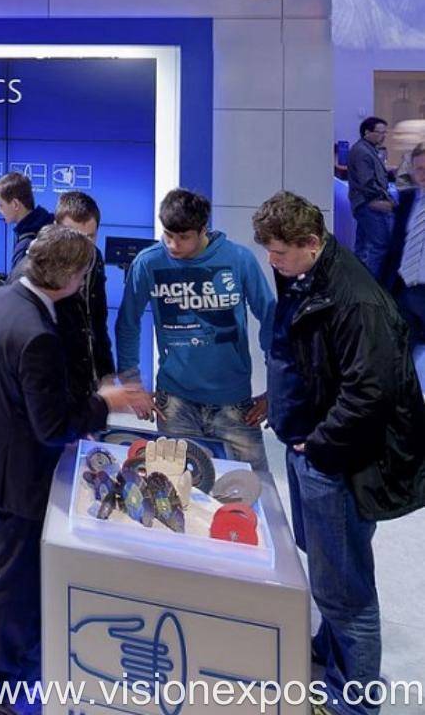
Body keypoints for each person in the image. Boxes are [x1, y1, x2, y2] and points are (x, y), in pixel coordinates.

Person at [253, 191, 425, 715]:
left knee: (345, 589)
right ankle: (330, 651)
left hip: (335, 457)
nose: (272, 262)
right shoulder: (305, 274)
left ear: (311, 242)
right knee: (327, 565)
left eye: (279, 252)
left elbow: (370, 393)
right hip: (310, 443)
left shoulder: (355, 299)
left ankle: (354, 700)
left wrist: (319, 444)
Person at [0, 225, 148, 715]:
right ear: (67, 277)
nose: (85, 283)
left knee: (17, 573)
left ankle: (18, 656)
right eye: (83, 275)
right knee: (13, 578)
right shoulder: (38, 335)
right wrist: (105, 402)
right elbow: (52, 426)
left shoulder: (2, 299)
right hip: (22, 472)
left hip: (1, 453)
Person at [115, 189, 275, 471]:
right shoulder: (148, 262)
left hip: (234, 400)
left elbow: (271, 319)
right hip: (175, 401)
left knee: (252, 485)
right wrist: (132, 384)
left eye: (183, 237)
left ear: (203, 229)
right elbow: (128, 323)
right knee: (175, 485)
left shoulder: (239, 259)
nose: (173, 245)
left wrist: (276, 388)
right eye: (168, 235)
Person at [53, 191, 116, 401]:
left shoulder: (95, 257)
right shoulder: (37, 263)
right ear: (56, 228)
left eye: (90, 237)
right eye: (74, 235)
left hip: (87, 377)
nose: (82, 246)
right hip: (53, 377)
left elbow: (98, 320)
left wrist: (106, 374)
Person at [386, 144, 425, 384]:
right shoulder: (408, 199)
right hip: (405, 288)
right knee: (401, 352)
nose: (423, 174)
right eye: (419, 169)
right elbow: (396, 244)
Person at [347, 116, 397, 281]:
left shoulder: (367, 149)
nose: (383, 136)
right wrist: (381, 200)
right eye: (379, 132)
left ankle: (359, 282)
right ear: (367, 132)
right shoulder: (362, 152)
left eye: (385, 133)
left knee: (363, 247)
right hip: (369, 204)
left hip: (365, 203)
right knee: (380, 245)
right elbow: (366, 182)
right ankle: (372, 284)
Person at [0, 171, 52, 269]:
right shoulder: (48, 226)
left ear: (15, 204)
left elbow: (20, 278)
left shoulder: (27, 244)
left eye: (0, 205)